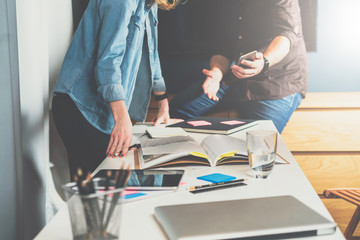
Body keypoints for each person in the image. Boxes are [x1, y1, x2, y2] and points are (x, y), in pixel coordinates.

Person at [52, 0, 179, 179]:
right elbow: (108, 61)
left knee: (109, 197)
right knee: (99, 198)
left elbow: (152, 52)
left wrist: (163, 102)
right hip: (80, 107)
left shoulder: (150, 4)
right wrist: (122, 118)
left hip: (104, 111)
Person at [169, 0, 308, 133]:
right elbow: (222, 47)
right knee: (175, 111)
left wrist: (264, 61)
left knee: (256, 145)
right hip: (238, 76)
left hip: (278, 83)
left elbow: (286, 35)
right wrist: (216, 73)